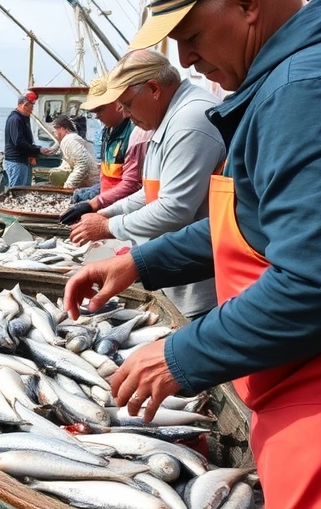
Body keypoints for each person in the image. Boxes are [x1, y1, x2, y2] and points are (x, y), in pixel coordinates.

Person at [65, 0, 321, 506]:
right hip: (290, 376)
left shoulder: (303, 91)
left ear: (246, 4)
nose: (185, 59)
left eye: (189, 37)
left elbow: (317, 282)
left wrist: (180, 355)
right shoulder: (289, 76)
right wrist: (140, 261)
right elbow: (246, 221)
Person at [68, 49, 224, 319]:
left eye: (127, 103)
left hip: (200, 288)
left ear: (153, 89)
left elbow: (174, 207)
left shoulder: (189, 120)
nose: (126, 114)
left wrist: (108, 227)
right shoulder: (165, 120)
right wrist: (105, 212)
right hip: (171, 275)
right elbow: (150, 192)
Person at [60, 76, 154, 223]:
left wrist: (94, 203)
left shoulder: (135, 133)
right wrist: (94, 194)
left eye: (100, 109)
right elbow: (107, 176)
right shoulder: (107, 132)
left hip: (126, 215)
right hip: (107, 209)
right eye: (94, 111)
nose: (97, 116)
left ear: (117, 103)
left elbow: (132, 185)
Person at [3, 91, 55, 187]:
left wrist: (32, 153)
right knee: (16, 191)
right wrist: (38, 150)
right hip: (16, 162)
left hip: (23, 161)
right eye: (31, 105)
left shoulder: (23, 118)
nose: (32, 108)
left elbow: (25, 141)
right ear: (24, 104)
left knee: (24, 189)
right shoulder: (15, 119)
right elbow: (18, 142)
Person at [48, 114, 99, 189]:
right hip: (90, 183)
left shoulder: (69, 141)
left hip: (90, 185)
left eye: (55, 131)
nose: (54, 134)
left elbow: (83, 163)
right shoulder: (70, 139)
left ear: (62, 128)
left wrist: (68, 186)